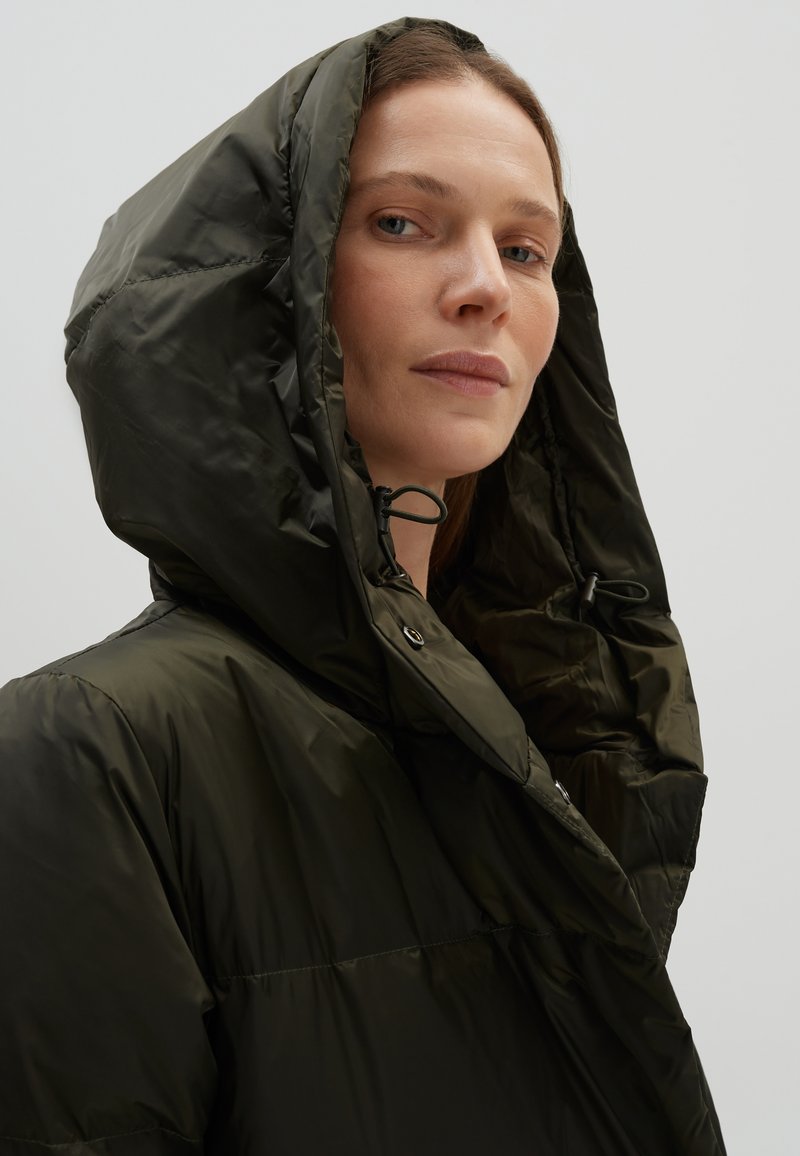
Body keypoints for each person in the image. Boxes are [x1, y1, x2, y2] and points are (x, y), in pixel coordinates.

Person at [0, 16, 726, 1155]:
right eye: (401, 222)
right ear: (268, 286)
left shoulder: (552, 731)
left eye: (525, 249)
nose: (485, 287)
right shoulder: (89, 748)